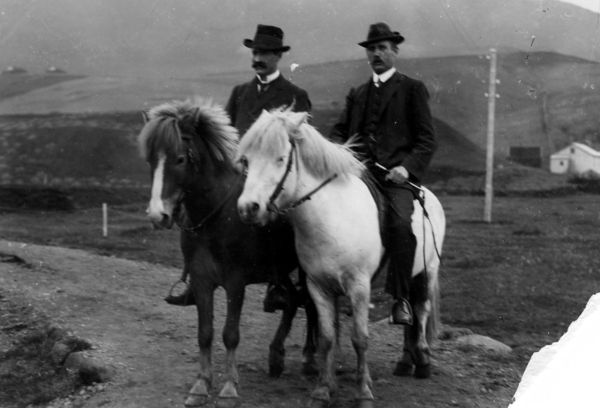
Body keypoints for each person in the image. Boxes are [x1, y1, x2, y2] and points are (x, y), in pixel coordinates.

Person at [166, 24, 312, 312]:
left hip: (272, 176)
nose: (258, 58)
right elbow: (225, 136)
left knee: (278, 218)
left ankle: (279, 281)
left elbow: (300, 144)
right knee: (197, 208)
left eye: (265, 53)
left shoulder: (294, 94)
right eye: (255, 52)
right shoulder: (240, 92)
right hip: (237, 172)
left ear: (278, 56)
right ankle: (194, 278)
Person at [329, 22, 437, 325]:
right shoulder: (358, 93)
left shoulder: (412, 89)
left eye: (382, 48)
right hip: (358, 176)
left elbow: (427, 140)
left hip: (395, 178)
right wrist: (337, 153)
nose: (376, 54)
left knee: (401, 224)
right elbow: (339, 132)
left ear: (394, 51)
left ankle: (401, 298)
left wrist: (406, 168)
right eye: (371, 49)